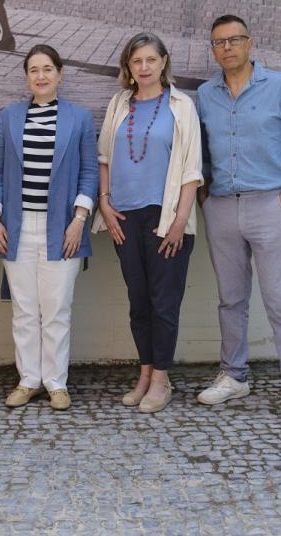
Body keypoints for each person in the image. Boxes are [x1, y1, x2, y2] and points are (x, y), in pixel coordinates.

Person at [196, 15, 281, 424]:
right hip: (220, 207)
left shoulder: (279, 87)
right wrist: (203, 198)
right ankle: (234, 375)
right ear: (212, 50)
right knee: (231, 298)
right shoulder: (204, 95)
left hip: (270, 203)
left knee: (280, 299)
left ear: (250, 43)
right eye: (219, 42)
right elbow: (195, 153)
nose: (227, 47)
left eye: (234, 40)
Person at [93, 32, 202, 414]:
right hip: (124, 217)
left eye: (150, 61)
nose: (143, 68)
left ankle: (162, 379)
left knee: (163, 302)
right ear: (129, 66)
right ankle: (144, 372)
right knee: (138, 301)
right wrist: (104, 204)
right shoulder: (119, 103)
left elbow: (191, 169)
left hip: (165, 216)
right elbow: (103, 157)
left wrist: (179, 221)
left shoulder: (181, 106)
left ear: (163, 62)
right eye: (136, 62)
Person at [0, 45, 98, 411]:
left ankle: (56, 383)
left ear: (60, 73)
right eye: (33, 70)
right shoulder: (10, 117)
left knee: (57, 309)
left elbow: (89, 173)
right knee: (24, 309)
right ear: (27, 76)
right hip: (17, 227)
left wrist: (79, 220)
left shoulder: (79, 119)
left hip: (61, 227)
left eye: (47, 69)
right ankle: (28, 380)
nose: (41, 76)